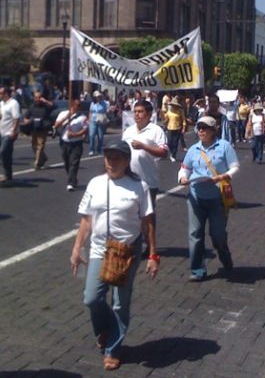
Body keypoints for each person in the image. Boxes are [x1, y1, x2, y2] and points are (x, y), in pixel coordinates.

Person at [69, 140, 159, 371]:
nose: (111, 162)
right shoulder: (95, 183)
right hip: (100, 248)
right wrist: (77, 248)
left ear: (127, 161)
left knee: (120, 303)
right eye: (108, 157)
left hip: (125, 251)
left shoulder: (138, 186)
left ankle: (113, 349)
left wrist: (152, 255)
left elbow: (147, 223)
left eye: (117, 157)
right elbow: (87, 219)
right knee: (92, 297)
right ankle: (105, 330)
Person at [178, 115, 239, 281]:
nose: (201, 131)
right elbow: (185, 168)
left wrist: (222, 176)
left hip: (217, 197)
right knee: (195, 234)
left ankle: (224, 255)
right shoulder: (193, 150)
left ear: (213, 130)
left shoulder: (224, 146)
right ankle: (198, 270)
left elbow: (235, 167)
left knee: (217, 234)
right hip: (196, 197)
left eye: (205, 128)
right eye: (199, 127)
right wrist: (182, 178)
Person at [122, 100, 168, 223]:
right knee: (129, 215)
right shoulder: (128, 131)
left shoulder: (156, 130)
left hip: (148, 182)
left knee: (147, 217)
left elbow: (164, 153)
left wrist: (144, 147)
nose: (137, 114)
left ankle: (150, 241)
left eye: (140, 112)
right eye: (135, 112)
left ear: (149, 114)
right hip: (128, 180)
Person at [54, 98, 88, 191]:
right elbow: (56, 125)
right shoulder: (63, 114)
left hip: (76, 143)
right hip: (64, 142)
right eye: (76, 105)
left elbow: (85, 129)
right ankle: (72, 178)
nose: (78, 107)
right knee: (67, 162)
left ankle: (71, 183)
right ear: (71, 105)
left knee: (74, 163)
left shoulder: (83, 117)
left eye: (79, 105)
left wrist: (75, 135)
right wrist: (66, 117)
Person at [23, 90, 54, 169]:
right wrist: (27, 121)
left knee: (40, 146)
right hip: (34, 128)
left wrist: (45, 101)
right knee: (34, 145)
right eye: (36, 97)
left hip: (43, 128)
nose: (38, 99)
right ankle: (43, 158)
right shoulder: (32, 106)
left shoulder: (46, 106)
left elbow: (53, 106)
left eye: (39, 97)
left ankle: (37, 163)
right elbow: (26, 117)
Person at [0, 87, 21, 185]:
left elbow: (16, 118)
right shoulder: (1, 104)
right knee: (7, 153)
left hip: (9, 132)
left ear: (6, 94)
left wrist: (13, 131)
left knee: (3, 151)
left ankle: (7, 173)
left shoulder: (14, 103)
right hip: (2, 132)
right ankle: (8, 175)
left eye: (1, 93)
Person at [88, 91, 110, 155]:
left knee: (100, 136)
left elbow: (106, 111)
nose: (98, 98)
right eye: (97, 97)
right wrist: (89, 120)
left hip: (101, 120)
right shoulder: (92, 103)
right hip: (93, 120)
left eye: (99, 96)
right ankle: (91, 149)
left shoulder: (104, 103)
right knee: (91, 135)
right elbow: (90, 112)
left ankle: (99, 149)